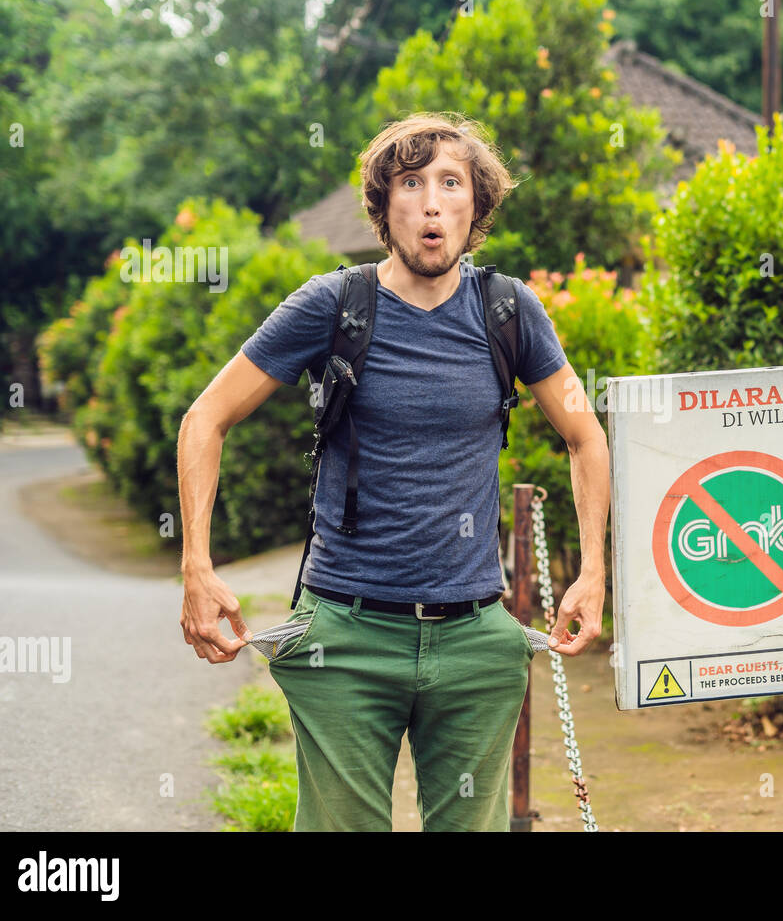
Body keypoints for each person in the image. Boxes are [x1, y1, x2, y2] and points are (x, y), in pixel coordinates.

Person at [176, 111, 610, 831]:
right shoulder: (333, 305)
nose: (432, 201)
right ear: (384, 208)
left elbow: (584, 437)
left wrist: (593, 571)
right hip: (346, 635)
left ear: (477, 206)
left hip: (475, 640)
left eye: (451, 182)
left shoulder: (510, 311)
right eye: (411, 184)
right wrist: (197, 564)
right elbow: (205, 418)